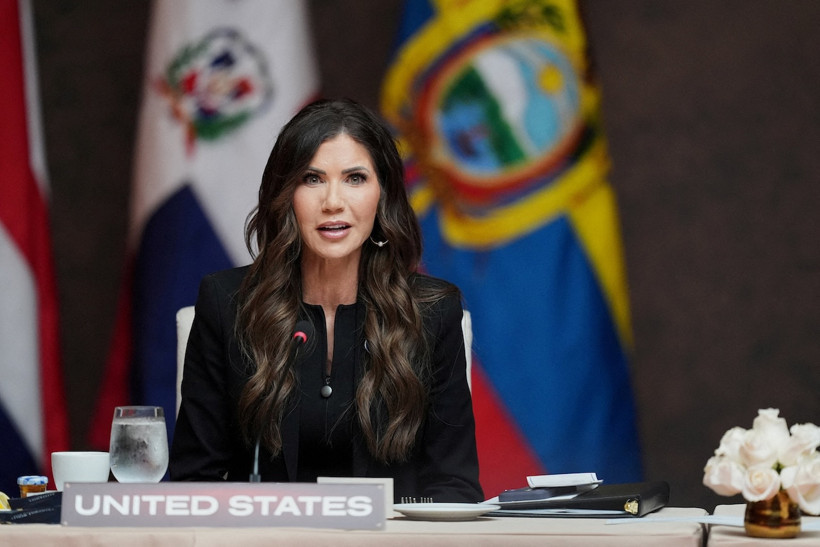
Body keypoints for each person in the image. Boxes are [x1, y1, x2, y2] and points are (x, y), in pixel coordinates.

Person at [170, 98, 483, 503]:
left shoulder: (430, 312)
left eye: (355, 178)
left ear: (382, 194)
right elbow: (194, 480)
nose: (333, 201)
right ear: (286, 194)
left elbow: (455, 486)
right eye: (312, 179)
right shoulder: (228, 304)